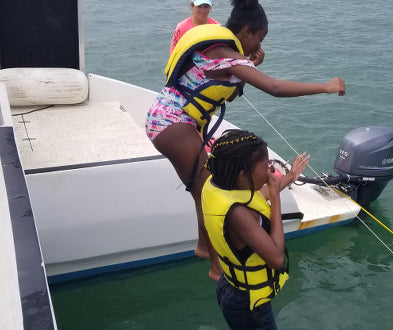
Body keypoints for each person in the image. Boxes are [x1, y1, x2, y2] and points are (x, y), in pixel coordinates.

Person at [146, 0, 345, 281]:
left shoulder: (222, 52)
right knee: (209, 191)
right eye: (259, 38)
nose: (259, 45)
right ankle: (216, 266)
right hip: (173, 123)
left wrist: (248, 63)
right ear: (248, 31)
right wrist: (325, 87)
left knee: (201, 190)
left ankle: (205, 248)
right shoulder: (228, 53)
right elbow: (274, 88)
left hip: (170, 120)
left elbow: (222, 88)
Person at [202, 129, 308, 329]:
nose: (269, 171)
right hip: (248, 304)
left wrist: (291, 177)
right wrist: (276, 200)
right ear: (243, 174)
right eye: (266, 166)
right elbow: (276, 258)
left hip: (229, 284)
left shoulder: (217, 185)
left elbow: (258, 195)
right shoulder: (239, 215)